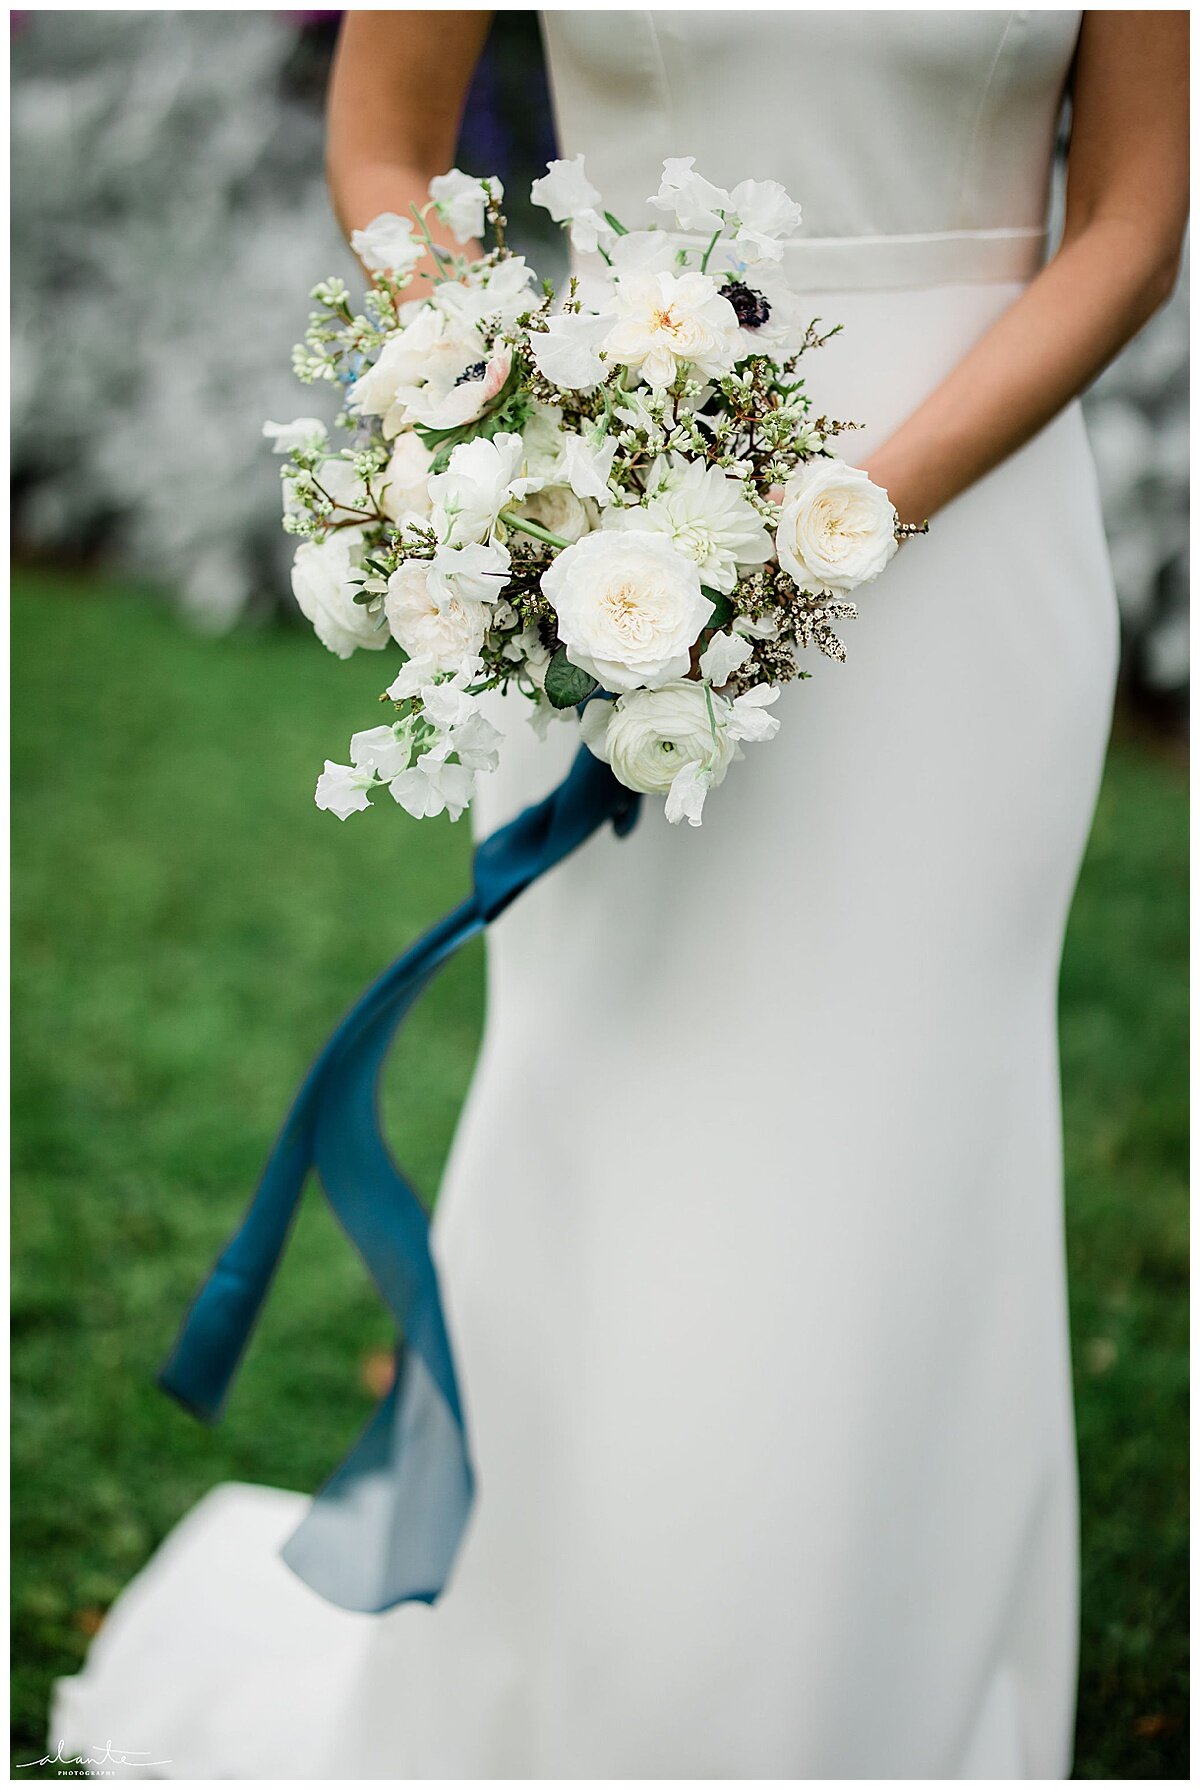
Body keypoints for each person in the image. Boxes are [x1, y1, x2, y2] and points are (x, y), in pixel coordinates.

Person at [54, 10, 1187, 1778]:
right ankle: (562, 1702)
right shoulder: (593, 492)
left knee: (909, 1146)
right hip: (617, 518)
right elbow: (385, 134)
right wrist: (514, 415)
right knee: (624, 1115)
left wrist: (848, 520)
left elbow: (1133, 213)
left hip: (964, 582)